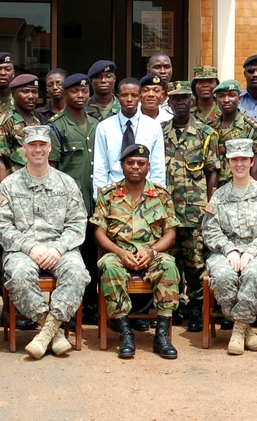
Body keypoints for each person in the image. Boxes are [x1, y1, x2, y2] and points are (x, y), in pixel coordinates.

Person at [0, 126, 90, 359]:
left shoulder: (66, 183)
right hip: (23, 249)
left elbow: (78, 223)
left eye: (42, 145)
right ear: (24, 149)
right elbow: (1, 225)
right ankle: (52, 332)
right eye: (32, 145)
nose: (38, 150)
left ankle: (46, 333)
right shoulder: (9, 185)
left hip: (60, 247)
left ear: (49, 148)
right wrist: (30, 247)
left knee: (77, 272)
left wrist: (58, 248)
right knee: (18, 273)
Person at [92, 144, 180, 359]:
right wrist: (120, 252)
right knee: (108, 265)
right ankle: (125, 331)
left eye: (141, 163)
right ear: (122, 166)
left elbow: (170, 234)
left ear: (148, 166)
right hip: (119, 252)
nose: (135, 167)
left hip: (151, 253)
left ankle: (162, 335)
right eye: (130, 162)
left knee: (168, 265)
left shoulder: (161, 195)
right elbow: (99, 232)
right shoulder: (109, 195)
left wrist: (151, 251)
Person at [201, 138, 257, 355]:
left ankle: (237, 330)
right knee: (223, 275)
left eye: (244, 159)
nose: (239, 164)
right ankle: (246, 330)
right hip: (225, 252)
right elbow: (209, 229)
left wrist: (251, 251)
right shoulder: (219, 196)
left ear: (252, 161)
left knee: (254, 273)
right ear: (228, 163)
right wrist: (229, 249)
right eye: (234, 159)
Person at [162, 81, 220, 332]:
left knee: (196, 263)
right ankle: (173, 306)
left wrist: (210, 207)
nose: (180, 103)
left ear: (192, 100)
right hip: (167, 211)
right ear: (170, 103)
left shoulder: (206, 134)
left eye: (185, 98)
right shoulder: (160, 132)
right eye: (175, 99)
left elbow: (212, 173)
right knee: (170, 261)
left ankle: (197, 308)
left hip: (195, 211)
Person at [48, 73, 101, 321]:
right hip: (69, 204)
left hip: (95, 202)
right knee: (71, 254)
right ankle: (70, 306)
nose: (80, 96)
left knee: (92, 253)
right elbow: (53, 168)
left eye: (84, 91)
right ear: (65, 94)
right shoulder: (57, 126)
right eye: (74, 92)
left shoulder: (96, 123)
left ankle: (90, 304)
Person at [93, 77, 166, 195]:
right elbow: (100, 166)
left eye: (134, 95)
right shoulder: (105, 127)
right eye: (124, 95)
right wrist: (100, 197)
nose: (129, 99)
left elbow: (158, 166)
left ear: (140, 98)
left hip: (146, 192)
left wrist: (157, 195)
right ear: (117, 97)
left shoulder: (153, 126)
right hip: (114, 192)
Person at [0, 74, 39, 185]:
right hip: (15, 186)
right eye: (25, 92)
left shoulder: (36, 121)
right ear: (14, 95)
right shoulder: (5, 121)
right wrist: (7, 192)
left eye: (34, 92)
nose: (31, 96)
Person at [211, 79, 257, 184]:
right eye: (221, 96)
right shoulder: (210, 128)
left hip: (242, 186)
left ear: (239, 98)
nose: (226, 100)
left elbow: (256, 166)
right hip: (218, 189)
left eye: (231, 95)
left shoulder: (251, 128)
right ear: (216, 100)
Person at [146, 52, 174, 120]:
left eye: (167, 67)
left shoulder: (178, 98)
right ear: (148, 71)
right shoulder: (142, 97)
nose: (163, 71)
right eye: (157, 67)